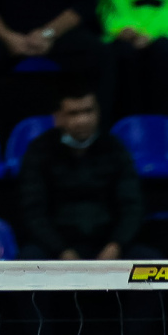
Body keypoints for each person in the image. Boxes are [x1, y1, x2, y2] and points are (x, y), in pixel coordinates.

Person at [18, 88, 148, 260]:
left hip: (109, 246)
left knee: (149, 260)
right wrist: (62, 251)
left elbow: (132, 206)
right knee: (28, 259)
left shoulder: (115, 148)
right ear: (58, 117)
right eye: (73, 113)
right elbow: (33, 212)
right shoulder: (39, 151)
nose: (83, 120)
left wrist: (116, 245)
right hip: (56, 248)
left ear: (98, 112)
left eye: (88, 111)